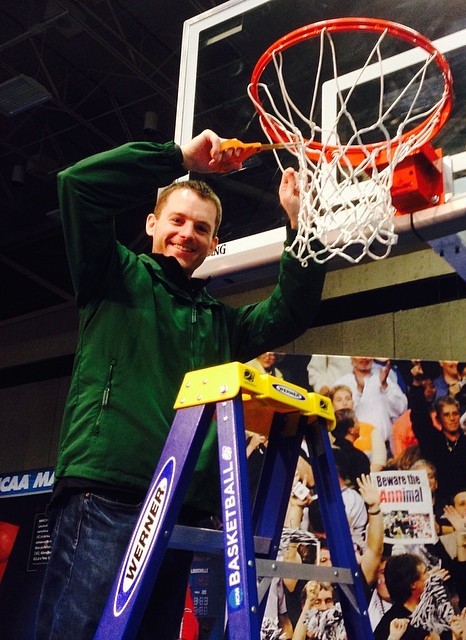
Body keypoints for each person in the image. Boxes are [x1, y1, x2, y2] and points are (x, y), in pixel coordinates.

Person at [35, 130, 326, 640]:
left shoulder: (219, 323)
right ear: (152, 224)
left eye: (201, 227)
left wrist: (300, 226)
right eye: (177, 220)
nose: (187, 233)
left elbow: (291, 311)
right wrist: (178, 158)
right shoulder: (111, 275)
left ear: (214, 242)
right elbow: (77, 185)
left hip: (177, 513)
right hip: (107, 498)